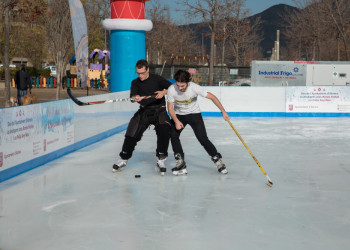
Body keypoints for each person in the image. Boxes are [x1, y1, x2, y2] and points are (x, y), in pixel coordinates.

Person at [112, 59, 172, 175]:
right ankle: (123, 158)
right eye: (138, 73)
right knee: (132, 131)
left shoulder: (157, 79)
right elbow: (133, 96)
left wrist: (163, 93)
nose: (140, 76)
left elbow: (172, 88)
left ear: (147, 69)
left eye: (142, 73)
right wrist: (135, 97)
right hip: (144, 111)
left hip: (159, 110)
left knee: (164, 130)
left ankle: (161, 159)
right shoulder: (135, 83)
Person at [166, 70, 229, 175]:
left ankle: (217, 160)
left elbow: (212, 97)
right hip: (179, 115)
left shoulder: (194, 88)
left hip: (194, 115)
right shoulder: (172, 89)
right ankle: (180, 161)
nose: (180, 88)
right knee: (173, 134)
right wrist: (176, 121)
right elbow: (170, 108)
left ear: (188, 82)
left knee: (203, 139)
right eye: (178, 85)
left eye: (182, 86)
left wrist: (223, 111)